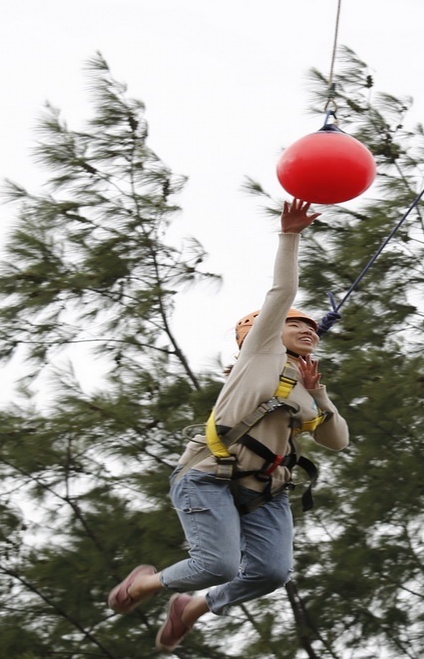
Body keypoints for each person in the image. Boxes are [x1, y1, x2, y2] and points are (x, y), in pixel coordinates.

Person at [106, 198, 350, 652]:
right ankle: (147, 585)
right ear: (265, 332)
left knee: (272, 572)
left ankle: (194, 607)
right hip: (207, 476)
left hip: (264, 489)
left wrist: (318, 393)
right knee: (216, 563)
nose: (308, 329)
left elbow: (336, 440)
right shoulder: (260, 356)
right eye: (297, 325)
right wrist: (290, 234)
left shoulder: (302, 388)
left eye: (312, 328)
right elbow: (282, 294)